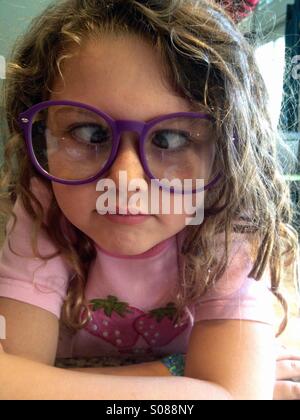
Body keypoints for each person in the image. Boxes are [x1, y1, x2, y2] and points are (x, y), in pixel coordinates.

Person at [0, 0, 299, 400]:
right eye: (89, 133)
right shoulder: (46, 209)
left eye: (171, 139)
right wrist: (178, 373)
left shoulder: (223, 223)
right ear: (42, 137)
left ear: (224, 160)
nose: (125, 180)